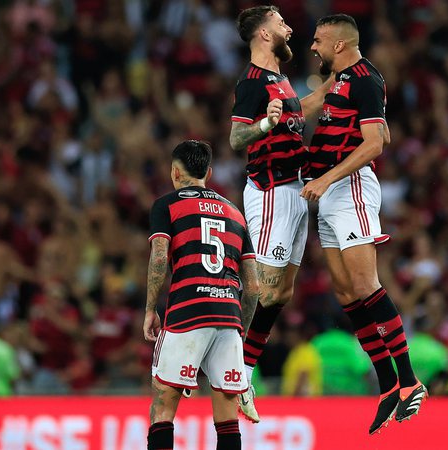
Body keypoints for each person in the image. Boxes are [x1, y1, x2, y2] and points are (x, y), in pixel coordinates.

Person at [300, 14, 426, 434]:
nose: (313, 46)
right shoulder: (337, 78)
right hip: (330, 189)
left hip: (348, 184)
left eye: (318, 40)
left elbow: (375, 143)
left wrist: (325, 178)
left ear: (339, 44)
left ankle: (409, 380)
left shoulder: (366, 79)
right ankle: (387, 382)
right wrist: (265, 109)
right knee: (346, 290)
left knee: (366, 283)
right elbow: (306, 106)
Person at [229, 5, 329, 423]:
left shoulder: (279, 80)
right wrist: (265, 127)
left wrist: (330, 89)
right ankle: (234, 372)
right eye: (280, 21)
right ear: (265, 35)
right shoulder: (252, 82)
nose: (288, 26)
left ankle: (243, 372)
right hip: (271, 192)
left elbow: (292, 115)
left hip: (294, 191)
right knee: (262, 290)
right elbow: (236, 137)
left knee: (282, 294)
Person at [143, 140, 261, 450]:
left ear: (175, 173)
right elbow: (253, 286)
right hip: (228, 317)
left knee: (163, 406)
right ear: (208, 172)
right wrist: (240, 331)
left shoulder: (167, 205)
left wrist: (149, 310)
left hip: (187, 312)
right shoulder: (235, 214)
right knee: (226, 416)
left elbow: (159, 256)